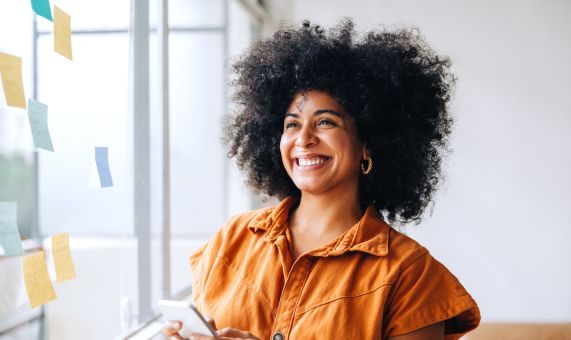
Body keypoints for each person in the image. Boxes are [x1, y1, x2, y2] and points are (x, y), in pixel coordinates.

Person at [163, 18, 480, 340]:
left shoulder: (410, 273)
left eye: (325, 122)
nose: (304, 138)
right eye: (291, 124)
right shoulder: (232, 239)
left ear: (369, 143)